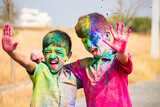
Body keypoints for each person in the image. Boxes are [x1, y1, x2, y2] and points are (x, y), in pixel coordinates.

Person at [1, 24, 82, 107]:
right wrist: (11, 52)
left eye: (58, 52)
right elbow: (26, 61)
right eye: (48, 52)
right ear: (43, 53)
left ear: (68, 55)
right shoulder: (41, 71)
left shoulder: (72, 78)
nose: (52, 56)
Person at [64, 13, 133, 107]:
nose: (88, 44)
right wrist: (39, 60)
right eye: (84, 41)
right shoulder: (84, 65)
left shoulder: (116, 59)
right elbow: (59, 68)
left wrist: (122, 51)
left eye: (93, 38)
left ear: (107, 35)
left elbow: (124, 59)